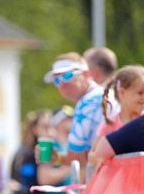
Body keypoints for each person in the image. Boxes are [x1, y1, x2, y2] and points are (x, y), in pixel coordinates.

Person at [44, 53, 103, 181]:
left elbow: (76, 159)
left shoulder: (88, 103)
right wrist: (58, 158)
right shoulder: (103, 94)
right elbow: (84, 158)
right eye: (57, 79)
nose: (62, 83)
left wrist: (58, 158)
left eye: (67, 75)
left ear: (86, 74)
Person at [90, 65, 144, 166]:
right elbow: (92, 154)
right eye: (140, 93)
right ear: (122, 92)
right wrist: (99, 160)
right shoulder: (110, 124)